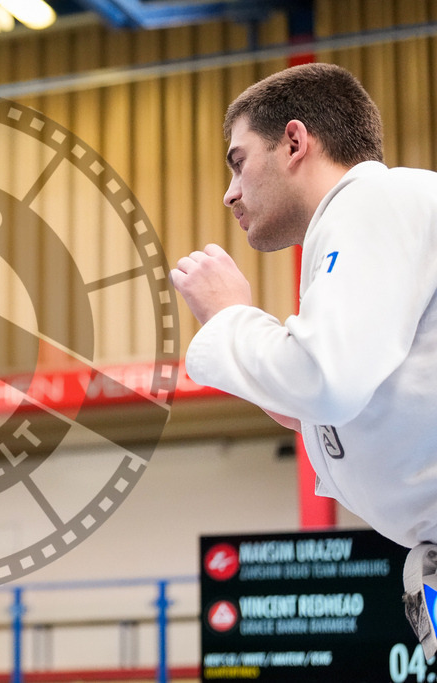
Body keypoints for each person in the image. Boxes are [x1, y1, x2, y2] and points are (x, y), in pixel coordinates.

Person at [171, 62, 437, 655]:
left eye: (238, 162)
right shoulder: (386, 213)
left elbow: (326, 380)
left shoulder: (373, 201)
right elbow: (351, 401)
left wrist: (230, 315)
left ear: (294, 141)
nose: (229, 192)